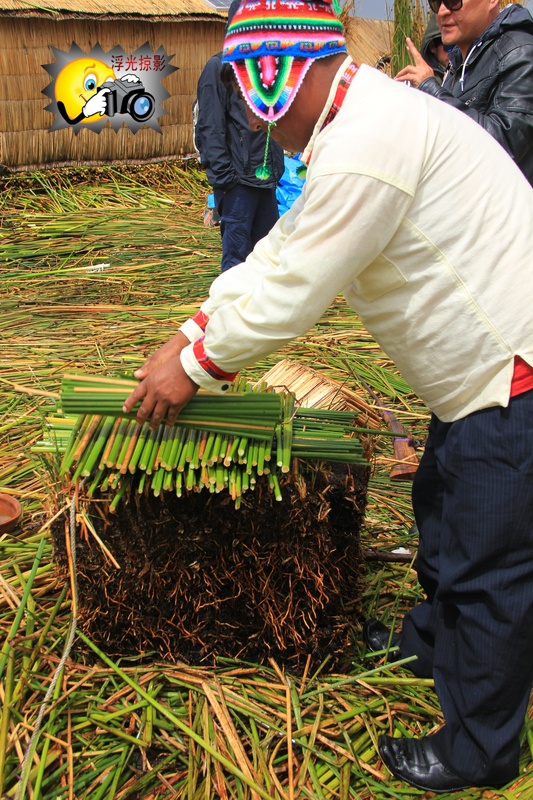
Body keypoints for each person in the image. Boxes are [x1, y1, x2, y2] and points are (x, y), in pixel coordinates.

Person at [122, 0, 533, 793]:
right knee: (443, 516)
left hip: (509, 372)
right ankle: (433, 641)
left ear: (298, 71)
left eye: (255, 87)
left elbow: (297, 287)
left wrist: (198, 364)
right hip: (471, 372)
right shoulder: (358, 120)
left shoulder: (366, 144)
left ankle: (479, 747)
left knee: (489, 558)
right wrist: (192, 325)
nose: (250, 108)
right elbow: (283, 247)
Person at [394, 0, 533, 183]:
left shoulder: (519, 51)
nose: (442, 12)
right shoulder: (457, 64)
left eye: (453, 1)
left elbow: (504, 145)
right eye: (436, 3)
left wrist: (431, 89)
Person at [195, 0, 284, 271]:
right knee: (236, 263)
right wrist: (225, 180)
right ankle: (229, 313)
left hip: (264, 181)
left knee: (268, 259)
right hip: (237, 185)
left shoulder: (263, 68)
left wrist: (275, 166)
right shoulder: (218, 68)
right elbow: (209, 128)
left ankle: (264, 314)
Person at [420, 13, 450, 83]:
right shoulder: (421, 80)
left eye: (458, 47)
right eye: (449, 46)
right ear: (432, 47)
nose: (454, 52)